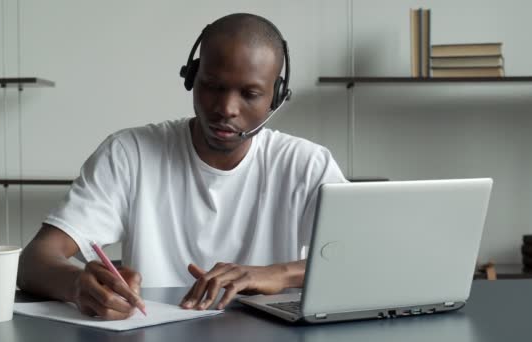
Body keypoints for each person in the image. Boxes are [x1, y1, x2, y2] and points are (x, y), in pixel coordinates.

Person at [17, 13, 346, 320]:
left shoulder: (306, 164)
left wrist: (275, 273)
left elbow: (364, 258)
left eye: (250, 94)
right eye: (213, 87)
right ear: (192, 78)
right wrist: (78, 284)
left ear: (276, 97)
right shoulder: (129, 153)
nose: (226, 108)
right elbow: (33, 260)